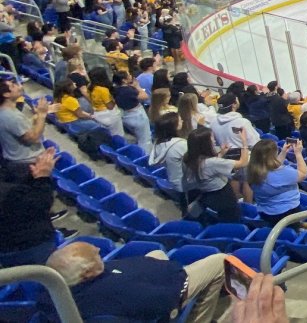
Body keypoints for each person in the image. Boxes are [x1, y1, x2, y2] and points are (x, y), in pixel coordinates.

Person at [44, 241, 225, 322]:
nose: (98, 249)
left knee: (157, 254)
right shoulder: (114, 293)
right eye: (95, 255)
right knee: (220, 261)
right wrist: (176, 274)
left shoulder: (55, 291)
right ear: (88, 273)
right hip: (170, 292)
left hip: (149, 280)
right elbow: (164, 300)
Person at [0, 149, 69, 267]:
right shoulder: (8, 193)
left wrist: (32, 175)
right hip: (29, 246)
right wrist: (42, 176)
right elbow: (40, 204)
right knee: (43, 279)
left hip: (8, 247)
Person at [182, 126, 249, 223]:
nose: (214, 141)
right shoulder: (211, 163)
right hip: (224, 196)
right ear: (205, 144)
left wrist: (221, 154)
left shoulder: (188, 159)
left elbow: (208, 168)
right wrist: (244, 142)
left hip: (208, 195)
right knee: (231, 222)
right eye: (212, 138)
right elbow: (243, 162)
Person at [246, 138, 307, 225]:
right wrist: (298, 153)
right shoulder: (282, 172)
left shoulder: (251, 170)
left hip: (265, 212)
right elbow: (303, 174)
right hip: (287, 213)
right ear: (273, 155)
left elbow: (271, 166)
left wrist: (283, 152)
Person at [0, 78, 48, 179]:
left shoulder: (6, 113)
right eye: (13, 86)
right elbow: (33, 138)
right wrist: (42, 114)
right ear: (6, 94)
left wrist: (36, 119)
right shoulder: (12, 116)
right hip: (27, 165)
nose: (19, 86)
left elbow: (21, 129)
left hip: (16, 162)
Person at [149, 113, 188, 202]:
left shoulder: (158, 143)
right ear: (174, 127)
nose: (182, 121)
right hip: (185, 182)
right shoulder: (180, 145)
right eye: (179, 120)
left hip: (173, 178)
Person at [112, 70, 152, 151]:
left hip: (125, 115)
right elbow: (145, 96)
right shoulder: (129, 90)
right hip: (137, 116)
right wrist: (137, 86)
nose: (131, 75)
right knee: (145, 140)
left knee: (138, 136)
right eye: (128, 75)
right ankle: (146, 158)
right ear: (124, 80)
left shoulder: (115, 90)